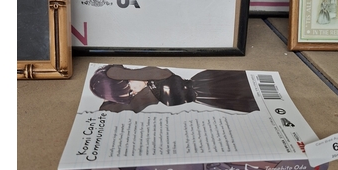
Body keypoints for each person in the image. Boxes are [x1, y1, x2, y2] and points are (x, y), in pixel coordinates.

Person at [89, 65, 260, 113]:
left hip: (207, 83)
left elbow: (163, 73)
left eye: (128, 86)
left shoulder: (150, 80)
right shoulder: (144, 95)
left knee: (249, 87)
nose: (133, 91)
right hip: (209, 94)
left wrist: (125, 77)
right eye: (129, 93)